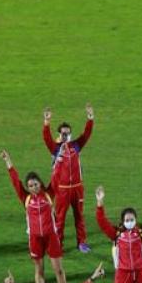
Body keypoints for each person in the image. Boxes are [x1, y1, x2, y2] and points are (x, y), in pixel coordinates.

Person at [2, 149, 68, 283]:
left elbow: (56, 176)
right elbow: (15, 182)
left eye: (35, 184)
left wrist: (60, 158)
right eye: (30, 186)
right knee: (39, 271)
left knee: (58, 269)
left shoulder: (48, 194)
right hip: (35, 238)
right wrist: (8, 162)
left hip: (51, 236)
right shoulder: (26, 198)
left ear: (40, 183)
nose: (33, 187)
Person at [42, 104, 94, 253]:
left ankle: (81, 243)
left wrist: (90, 118)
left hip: (77, 187)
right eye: (63, 133)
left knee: (79, 216)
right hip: (62, 189)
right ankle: (58, 244)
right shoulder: (55, 147)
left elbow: (87, 134)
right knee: (60, 218)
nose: (66, 135)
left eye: (68, 133)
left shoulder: (76, 145)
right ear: (59, 134)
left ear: (71, 134)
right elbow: (46, 138)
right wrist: (46, 122)